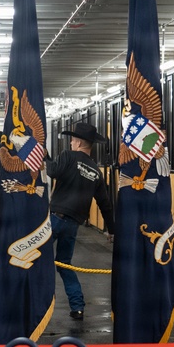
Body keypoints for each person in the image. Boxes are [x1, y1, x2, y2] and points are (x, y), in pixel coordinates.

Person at [43, 121, 115, 320]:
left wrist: (46, 158)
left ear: (80, 142)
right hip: (73, 224)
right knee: (65, 264)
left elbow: (52, 171)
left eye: (73, 140)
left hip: (55, 218)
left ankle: (34, 302)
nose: (71, 143)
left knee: (37, 258)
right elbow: (105, 204)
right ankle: (77, 307)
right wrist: (111, 229)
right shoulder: (96, 171)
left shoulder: (68, 156)